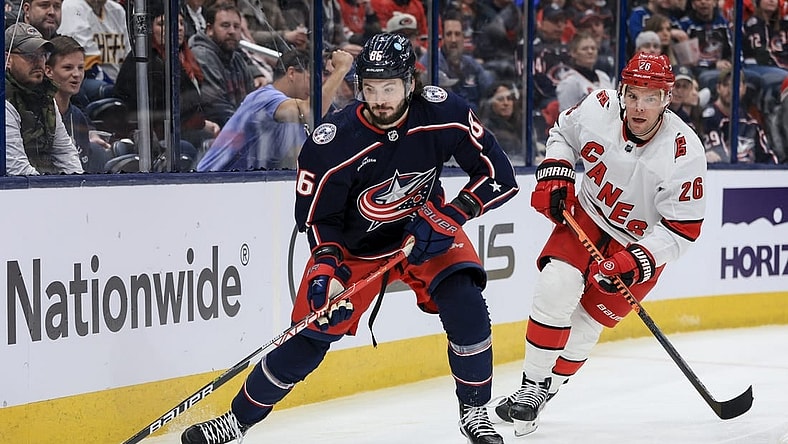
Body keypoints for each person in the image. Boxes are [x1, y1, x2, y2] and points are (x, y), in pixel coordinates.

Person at [180, 32, 519, 444]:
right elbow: (319, 219)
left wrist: (451, 215)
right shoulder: (334, 141)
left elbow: (498, 176)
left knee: (465, 301)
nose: (379, 98)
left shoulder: (443, 112)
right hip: (355, 251)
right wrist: (327, 266)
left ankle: (476, 413)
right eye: (370, 88)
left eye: (389, 88)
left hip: (424, 231)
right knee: (308, 342)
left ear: (410, 83)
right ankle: (236, 421)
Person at [492, 53, 707, 437]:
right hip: (587, 218)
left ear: (667, 99)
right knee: (556, 285)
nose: (640, 106)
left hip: (638, 243)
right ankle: (531, 386)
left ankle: (545, 392)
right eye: (634, 93)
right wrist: (556, 172)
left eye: (651, 96)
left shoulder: (684, 152)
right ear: (621, 91)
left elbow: (682, 231)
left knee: (586, 326)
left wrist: (635, 259)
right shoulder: (597, 106)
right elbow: (562, 133)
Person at [196, 48, 353, 171]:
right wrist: (341, 70)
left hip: (247, 193)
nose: (321, 85)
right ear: (291, 73)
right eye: (317, 76)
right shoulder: (264, 98)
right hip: (209, 188)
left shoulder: (298, 122)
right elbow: (310, 112)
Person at [115, 0, 220, 171]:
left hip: (183, 127)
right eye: (163, 23)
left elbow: (197, 100)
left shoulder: (183, 59)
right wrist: (201, 124)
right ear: (150, 28)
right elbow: (159, 113)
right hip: (154, 134)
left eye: (180, 23)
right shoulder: (143, 62)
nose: (177, 27)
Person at [5, 22, 83, 175]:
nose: (38, 62)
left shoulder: (46, 96)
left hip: (42, 186)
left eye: (42, 55)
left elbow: (65, 152)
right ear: (7, 59)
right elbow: (17, 169)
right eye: (29, 55)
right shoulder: (4, 100)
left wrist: (79, 185)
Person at [45, 35, 113, 172]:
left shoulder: (77, 116)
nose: (76, 74)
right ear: (48, 71)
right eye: (68, 68)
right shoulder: (37, 115)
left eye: (81, 68)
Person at [189, 2, 255, 127]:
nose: (232, 31)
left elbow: (253, 101)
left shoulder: (237, 59)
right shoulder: (202, 55)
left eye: (236, 26)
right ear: (209, 30)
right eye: (225, 26)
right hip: (216, 134)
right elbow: (216, 108)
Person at [699, 68, 778, 164]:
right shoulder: (708, 117)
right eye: (726, 85)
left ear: (744, 89)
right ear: (718, 88)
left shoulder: (751, 123)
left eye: (736, 85)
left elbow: (768, 157)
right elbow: (718, 155)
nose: (731, 90)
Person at [420, 8, 493, 111]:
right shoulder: (430, 61)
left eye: (457, 34)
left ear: (463, 37)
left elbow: (489, 89)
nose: (453, 40)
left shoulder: (470, 63)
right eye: (449, 34)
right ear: (443, 38)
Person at [57, 0, 130, 101]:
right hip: (88, 81)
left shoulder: (117, 10)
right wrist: (117, 92)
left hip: (116, 84)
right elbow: (89, 62)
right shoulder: (72, 5)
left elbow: (128, 55)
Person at [555, 31, 614, 112]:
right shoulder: (569, 82)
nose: (590, 52)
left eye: (593, 48)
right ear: (573, 53)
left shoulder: (603, 76)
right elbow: (566, 118)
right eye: (584, 49)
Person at [479, 80, 522, 158]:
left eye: (509, 99)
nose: (506, 103)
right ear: (490, 103)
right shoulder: (485, 129)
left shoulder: (523, 125)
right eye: (500, 99)